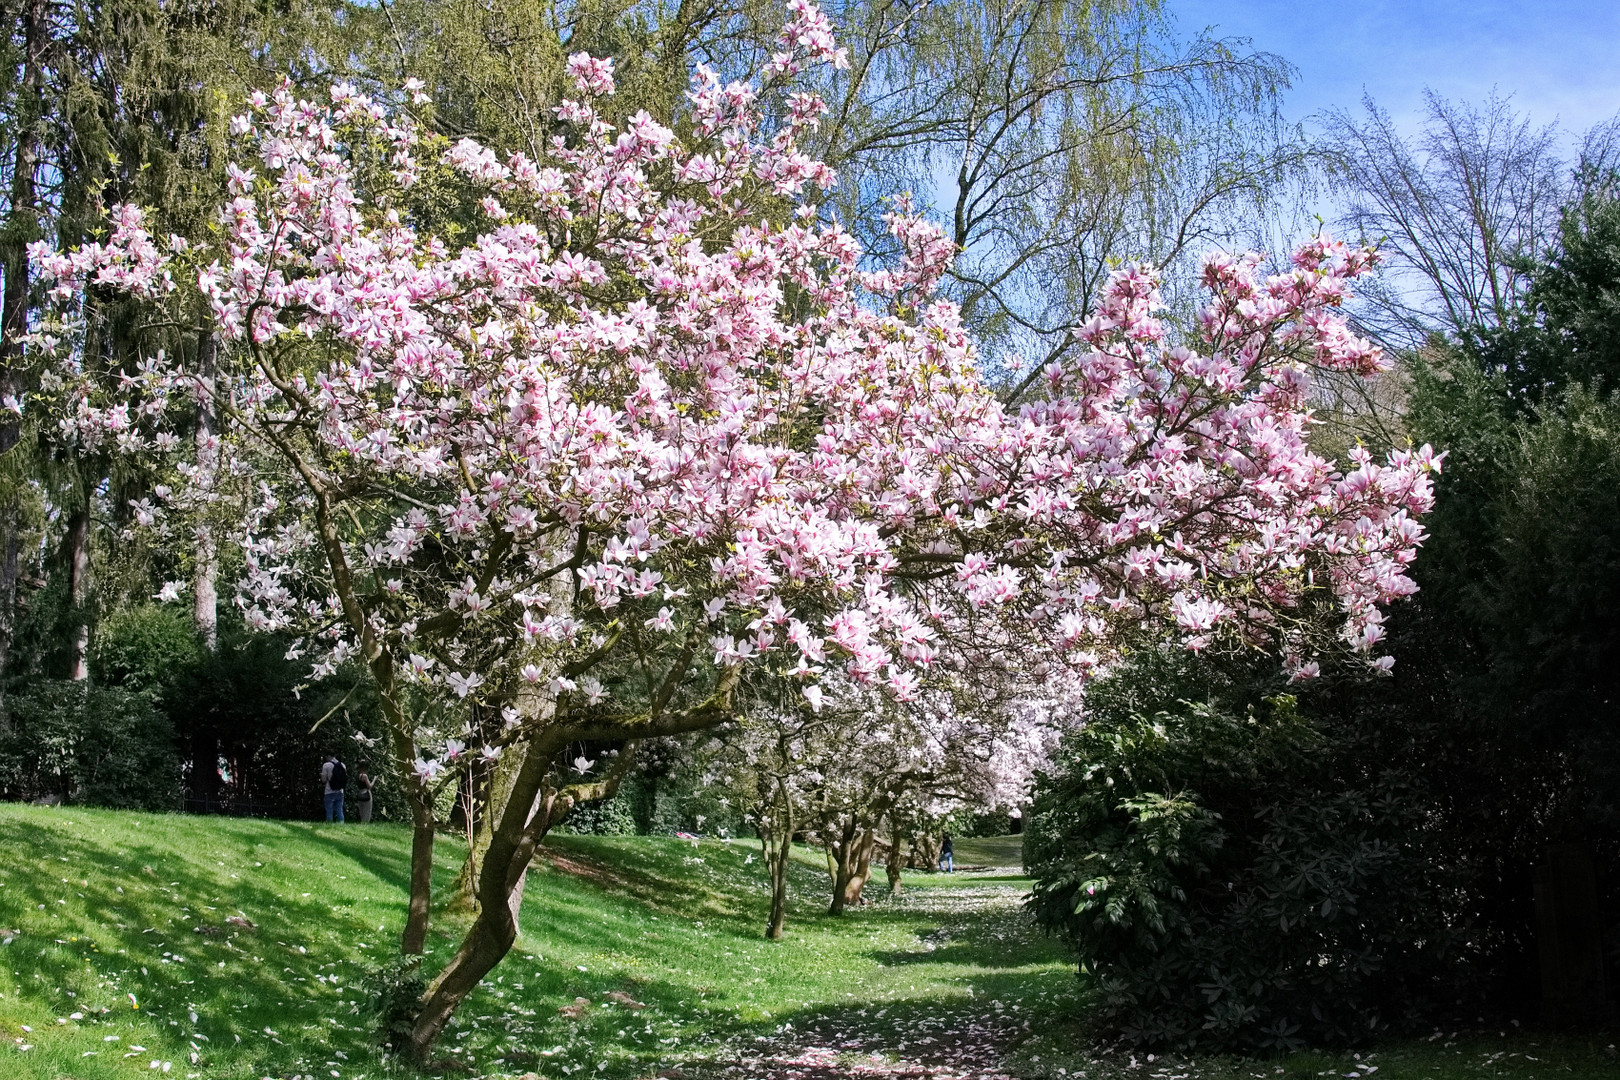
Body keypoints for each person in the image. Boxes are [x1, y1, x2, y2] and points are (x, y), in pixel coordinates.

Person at [320, 755, 346, 823]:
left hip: (329, 791)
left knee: (329, 810)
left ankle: (329, 825)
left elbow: (324, 780)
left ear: (328, 756)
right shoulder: (342, 765)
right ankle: (341, 824)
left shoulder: (326, 765)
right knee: (339, 810)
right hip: (340, 791)